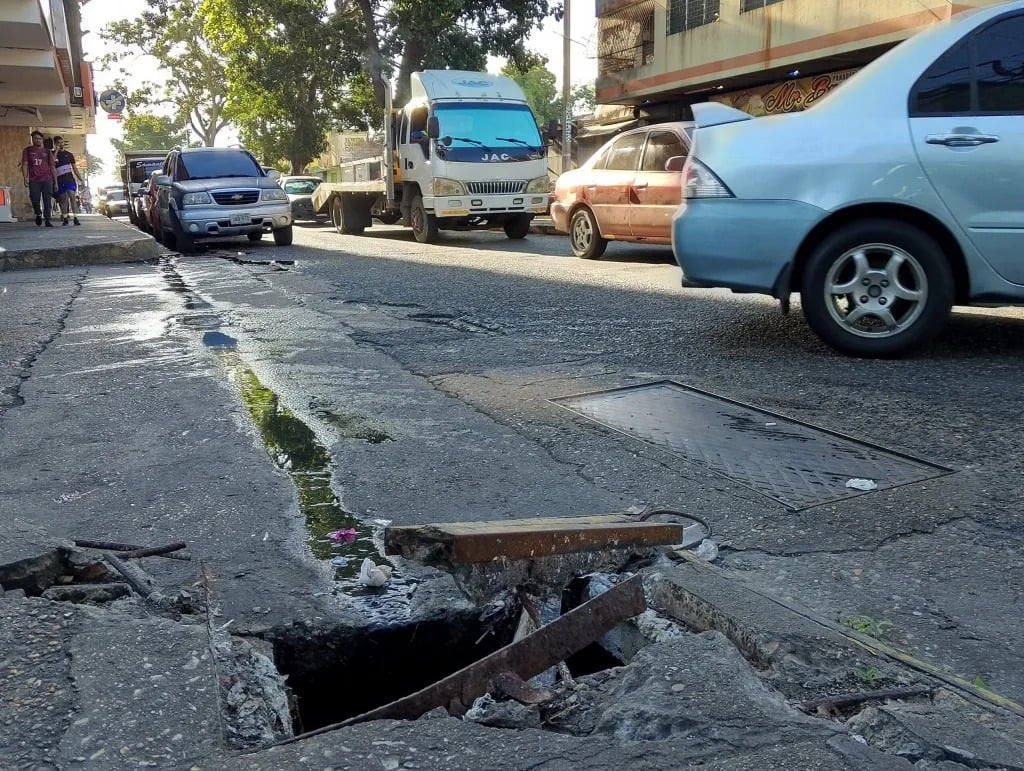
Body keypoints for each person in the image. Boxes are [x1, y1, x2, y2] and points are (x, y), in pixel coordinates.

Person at [18, 130, 57, 227]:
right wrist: (25, 178)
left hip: (47, 179)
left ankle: (47, 219)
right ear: (32, 139)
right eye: (35, 138)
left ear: (42, 140)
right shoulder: (27, 150)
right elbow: (25, 164)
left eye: (39, 139)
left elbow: (52, 167)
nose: (38, 140)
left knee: (47, 200)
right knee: (35, 199)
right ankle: (38, 213)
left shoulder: (47, 152)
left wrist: (55, 182)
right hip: (34, 180)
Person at [52, 136, 84, 225]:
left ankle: (75, 217)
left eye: (62, 142)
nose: (61, 144)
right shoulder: (52, 153)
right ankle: (65, 217)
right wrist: (57, 151)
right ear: (55, 144)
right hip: (60, 179)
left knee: (72, 197)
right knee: (63, 199)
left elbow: (74, 168)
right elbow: (52, 162)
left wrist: (80, 179)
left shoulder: (69, 154)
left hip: (69, 178)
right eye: (58, 143)